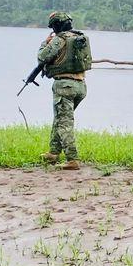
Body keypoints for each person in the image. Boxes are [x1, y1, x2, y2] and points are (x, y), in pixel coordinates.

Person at [36, 11, 92, 170]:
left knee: (64, 123)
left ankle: (72, 159)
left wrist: (45, 42)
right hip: (80, 84)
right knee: (61, 119)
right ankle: (53, 152)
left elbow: (42, 57)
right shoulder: (80, 37)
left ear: (56, 25)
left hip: (65, 86)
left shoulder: (59, 40)